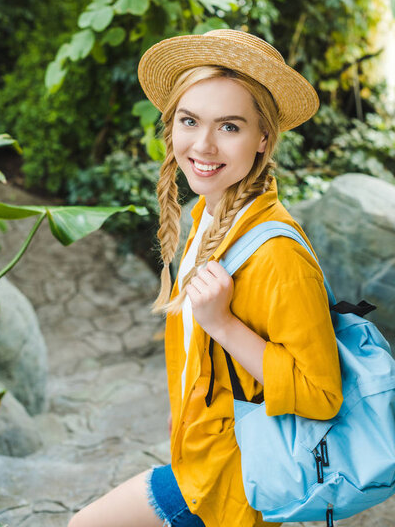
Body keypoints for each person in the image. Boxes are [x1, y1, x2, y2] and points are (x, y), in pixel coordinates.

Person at [67, 29, 343, 527]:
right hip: (201, 457)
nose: (204, 144)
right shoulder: (207, 217)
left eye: (230, 127)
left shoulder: (277, 253)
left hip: (236, 484)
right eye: (189, 121)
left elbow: (322, 396)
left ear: (263, 138)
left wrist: (223, 324)